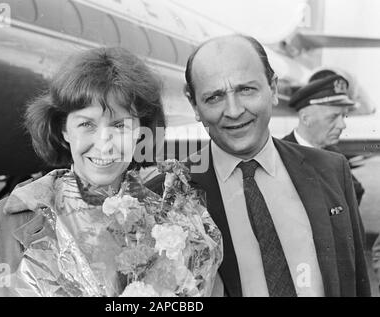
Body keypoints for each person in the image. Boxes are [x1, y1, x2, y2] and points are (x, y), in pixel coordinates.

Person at [146, 34, 370, 297]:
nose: (233, 111)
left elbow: (356, 282)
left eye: (246, 90)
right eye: (214, 97)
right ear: (193, 104)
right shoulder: (162, 197)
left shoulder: (331, 170)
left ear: (273, 88)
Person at [0, 47, 172, 296]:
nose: (104, 143)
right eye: (87, 124)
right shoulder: (3, 224)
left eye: (120, 125)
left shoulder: (172, 226)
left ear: (141, 132)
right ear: (64, 130)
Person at [284, 71, 365, 204]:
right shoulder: (279, 156)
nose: (342, 125)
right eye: (333, 117)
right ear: (305, 118)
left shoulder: (334, 153)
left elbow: (356, 191)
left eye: (343, 116)